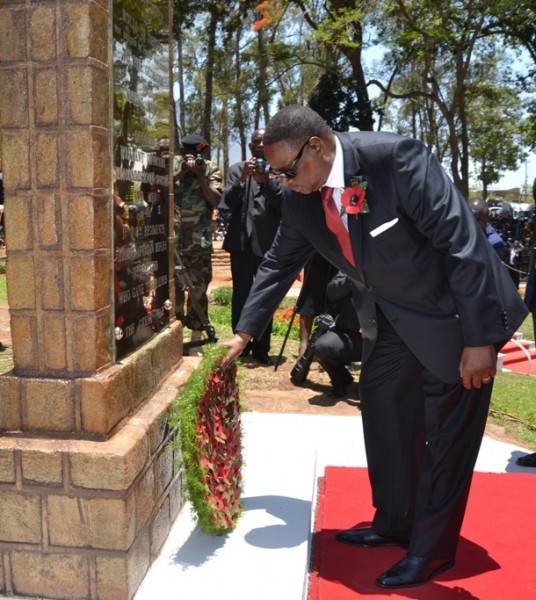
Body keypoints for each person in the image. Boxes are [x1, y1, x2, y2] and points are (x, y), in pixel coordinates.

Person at [222, 105, 528, 588]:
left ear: (317, 148)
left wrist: (479, 339)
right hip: (391, 320)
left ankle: (430, 551)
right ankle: (393, 521)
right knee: (383, 414)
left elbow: (461, 243)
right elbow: (279, 263)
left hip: (454, 315)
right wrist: (243, 333)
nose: (281, 181)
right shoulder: (302, 198)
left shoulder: (396, 158)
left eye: (286, 170)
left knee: (446, 438)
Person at [220, 128, 283, 365]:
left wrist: (266, 182)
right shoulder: (237, 170)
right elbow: (227, 203)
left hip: (268, 245)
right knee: (241, 294)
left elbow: (283, 205)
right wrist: (243, 179)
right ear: (250, 146)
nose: (260, 146)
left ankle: (261, 348)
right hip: (241, 244)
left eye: (265, 142)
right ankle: (240, 344)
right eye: (256, 142)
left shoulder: (277, 171)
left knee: (264, 295)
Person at [174, 134, 223, 342]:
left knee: (199, 288)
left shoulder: (210, 167)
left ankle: (196, 336)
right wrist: (182, 171)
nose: (191, 157)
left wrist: (201, 175)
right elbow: (157, 190)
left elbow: (217, 200)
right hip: (173, 240)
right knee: (171, 288)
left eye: (195, 153)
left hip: (198, 241)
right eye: (187, 152)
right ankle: (172, 335)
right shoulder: (173, 165)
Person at [313, 271, 362, 398]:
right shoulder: (352, 265)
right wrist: (355, 276)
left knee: (366, 394)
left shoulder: (391, 266)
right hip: (350, 335)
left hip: (382, 338)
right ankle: (342, 382)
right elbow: (332, 292)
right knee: (323, 347)